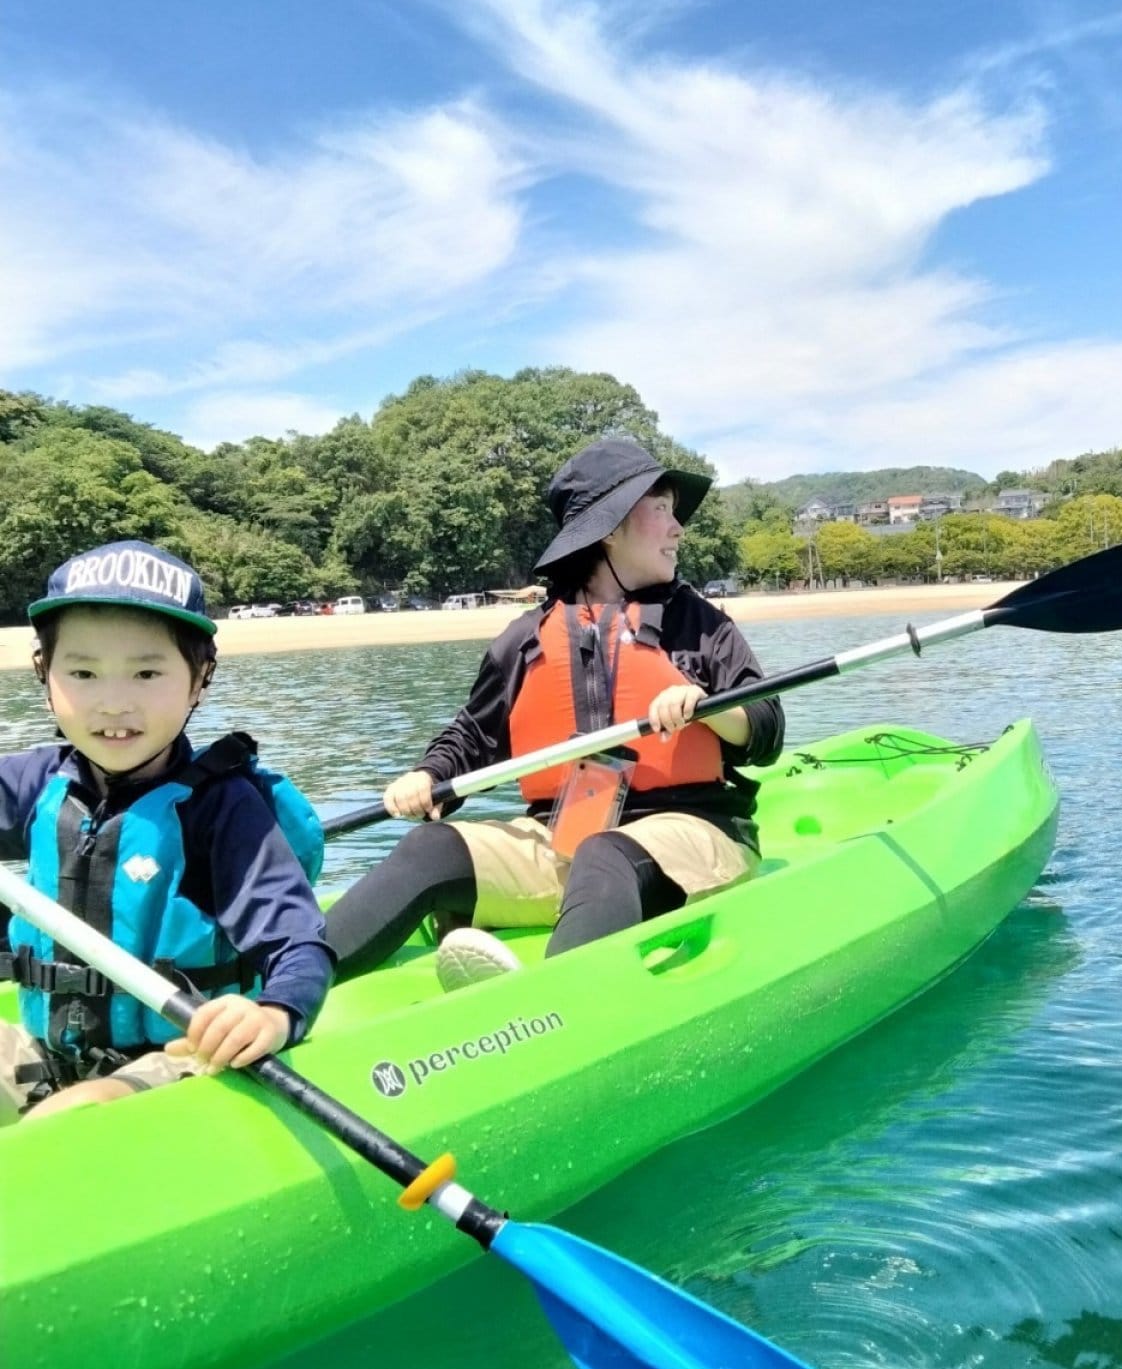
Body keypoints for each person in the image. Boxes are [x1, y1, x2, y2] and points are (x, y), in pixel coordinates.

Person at [324, 439, 785, 986]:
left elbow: (766, 727)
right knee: (430, 847)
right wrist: (429, 775)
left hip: (694, 833)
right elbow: (473, 737)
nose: (677, 527)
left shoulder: (702, 626)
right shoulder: (525, 641)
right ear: (609, 529)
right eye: (659, 509)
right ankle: (279, 994)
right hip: (560, 842)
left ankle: (543, 1010)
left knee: (605, 853)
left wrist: (706, 709)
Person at [0, 541, 334, 1124]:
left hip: (179, 1057)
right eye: (82, 672)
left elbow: (298, 944)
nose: (113, 702)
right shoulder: (38, 783)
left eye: (147, 672)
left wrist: (274, 1015)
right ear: (44, 674)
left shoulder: (222, 808)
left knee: (63, 1122)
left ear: (199, 679)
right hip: (48, 1052)